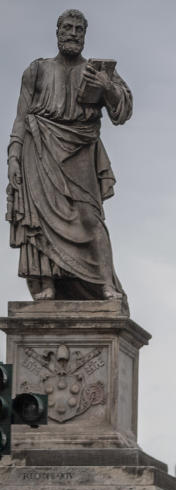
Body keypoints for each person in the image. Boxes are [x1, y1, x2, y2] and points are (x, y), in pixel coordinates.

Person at [7, 9, 132, 301]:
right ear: (58, 32)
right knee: (39, 217)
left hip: (80, 149)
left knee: (91, 217)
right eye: (68, 27)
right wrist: (13, 155)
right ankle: (46, 281)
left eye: (79, 29)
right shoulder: (36, 70)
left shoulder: (99, 71)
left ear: (85, 35)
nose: (73, 33)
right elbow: (21, 117)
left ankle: (106, 285)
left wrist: (106, 87)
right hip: (39, 149)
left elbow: (123, 111)